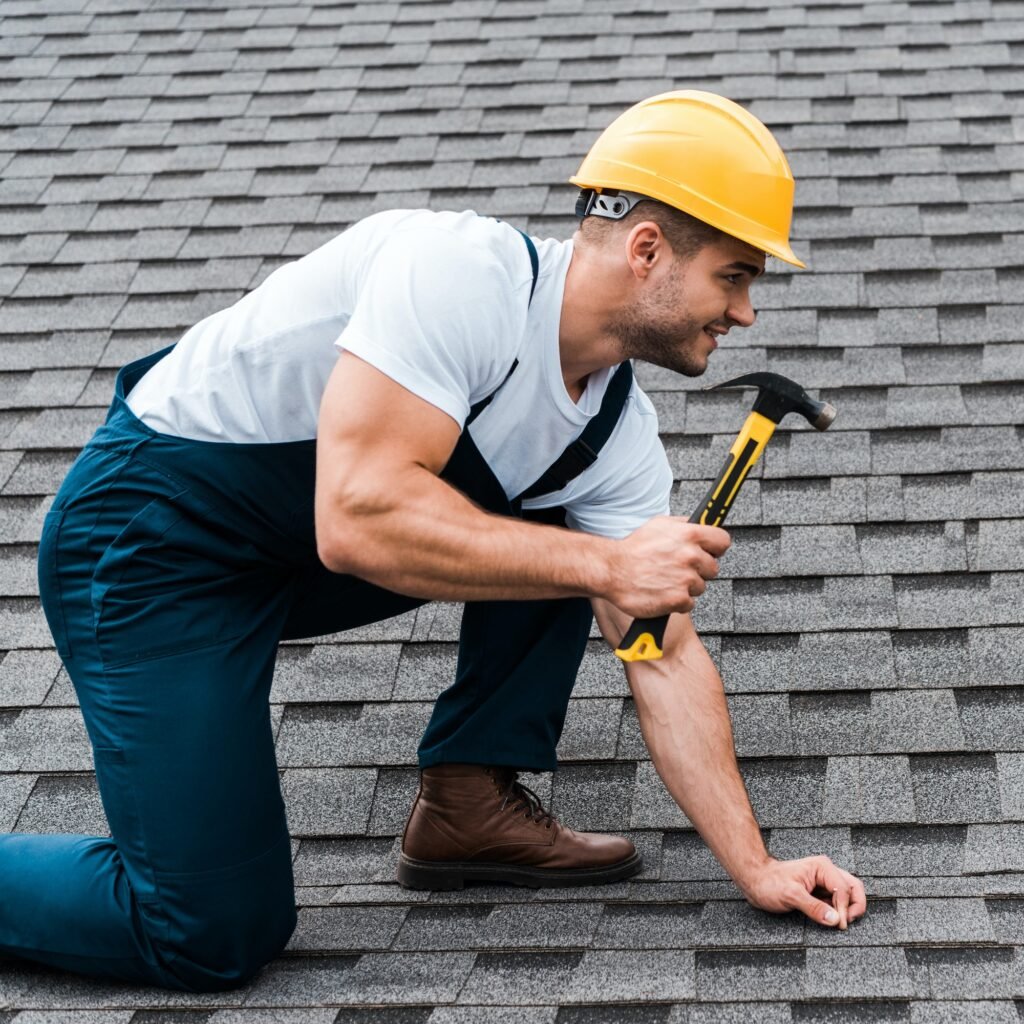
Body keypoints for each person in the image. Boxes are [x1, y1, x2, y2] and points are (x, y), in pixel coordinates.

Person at [12, 90, 866, 993]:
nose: (745, 314)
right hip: (150, 545)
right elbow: (358, 517)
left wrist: (757, 865)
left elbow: (660, 652)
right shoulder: (456, 274)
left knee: (565, 517)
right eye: (734, 276)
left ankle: (468, 802)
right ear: (647, 248)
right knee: (209, 931)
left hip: (288, 557)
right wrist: (609, 564)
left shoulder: (615, 434)